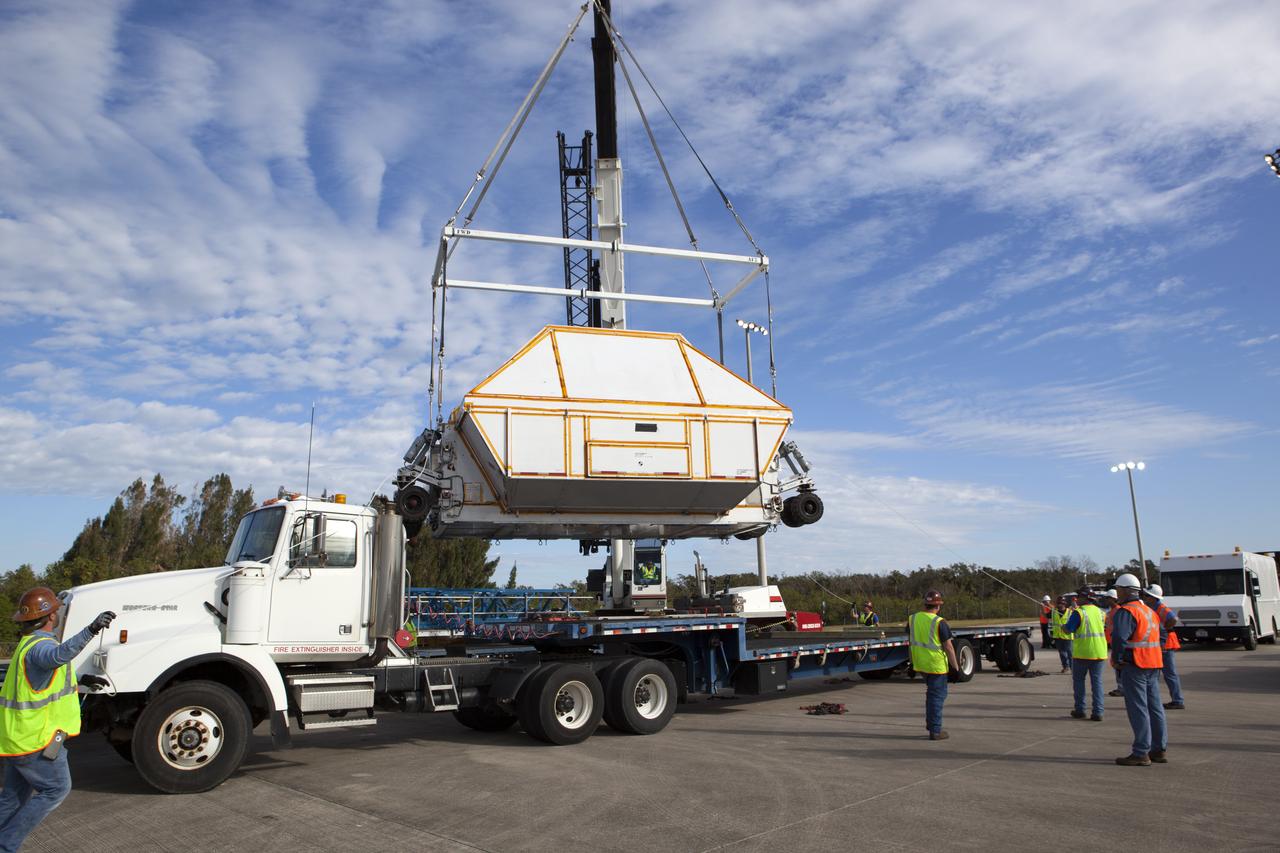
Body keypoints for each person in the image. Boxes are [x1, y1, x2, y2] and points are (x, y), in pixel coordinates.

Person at [0, 587, 115, 852]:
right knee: (57, 789)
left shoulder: (27, 644)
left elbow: (46, 677)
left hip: (18, 739)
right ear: (51, 615)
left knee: (13, 798)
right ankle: (6, 845)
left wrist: (81, 681)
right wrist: (92, 629)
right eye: (56, 610)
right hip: (36, 740)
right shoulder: (42, 646)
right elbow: (56, 657)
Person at [1111, 573, 1168, 766]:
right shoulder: (1149, 611)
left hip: (1135, 665)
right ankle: (1158, 749)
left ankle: (1141, 751)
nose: (1117, 593)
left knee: (1138, 708)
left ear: (1126, 590)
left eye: (1118, 589)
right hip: (1153, 664)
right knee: (1155, 708)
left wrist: (1117, 659)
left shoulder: (1126, 611)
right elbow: (1162, 636)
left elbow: (1119, 637)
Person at [909, 590, 960, 741]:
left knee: (932, 696)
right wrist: (956, 668)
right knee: (936, 697)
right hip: (936, 666)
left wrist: (911, 662)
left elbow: (910, 642)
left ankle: (931, 725)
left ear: (925, 604)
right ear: (938, 606)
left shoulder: (913, 619)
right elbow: (949, 647)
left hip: (921, 664)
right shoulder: (939, 622)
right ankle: (935, 730)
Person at [1063, 587, 1106, 721]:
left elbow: (1068, 630)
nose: (1076, 599)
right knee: (1097, 683)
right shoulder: (1101, 612)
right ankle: (1098, 712)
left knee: (1079, 682)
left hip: (1083, 653)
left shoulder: (1079, 613)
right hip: (1099, 652)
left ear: (1083, 598)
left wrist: (1063, 626)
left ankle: (1080, 709)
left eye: (1078, 597)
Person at [1142, 584, 1185, 710]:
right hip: (1161, 643)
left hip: (1166, 644)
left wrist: (1165, 628)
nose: (1144, 597)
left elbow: (1173, 618)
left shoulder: (1160, 608)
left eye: (1146, 595)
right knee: (1161, 673)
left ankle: (1177, 700)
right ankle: (1175, 699)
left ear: (1153, 597)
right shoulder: (1152, 607)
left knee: (1169, 673)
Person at [1101, 589, 1125, 697]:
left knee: (1119, 665)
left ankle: (1122, 688)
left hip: (1117, 643)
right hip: (1112, 642)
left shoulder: (1119, 611)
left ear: (1113, 599)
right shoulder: (1111, 612)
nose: (1106, 600)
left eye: (1108, 598)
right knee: (1116, 666)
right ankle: (1120, 687)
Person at [1051, 595, 1074, 673]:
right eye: (1058, 603)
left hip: (1068, 636)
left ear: (1064, 603)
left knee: (1070, 653)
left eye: (1061, 603)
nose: (1059, 605)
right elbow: (1045, 615)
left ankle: (1072, 668)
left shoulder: (1070, 612)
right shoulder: (1054, 612)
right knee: (1062, 653)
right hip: (1058, 636)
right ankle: (1065, 667)